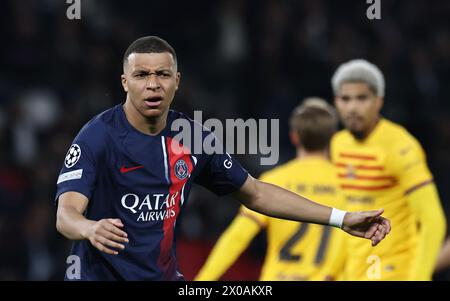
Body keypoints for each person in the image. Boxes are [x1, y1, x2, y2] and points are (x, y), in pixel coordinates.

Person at [55, 36, 390, 281]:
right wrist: (89, 227)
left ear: (177, 82)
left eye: (162, 75)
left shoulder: (192, 137)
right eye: (142, 76)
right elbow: (66, 213)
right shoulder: (97, 136)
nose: (153, 85)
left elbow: (256, 193)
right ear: (125, 82)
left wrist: (341, 219)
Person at [195, 98, 346, 281]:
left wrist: (202, 282)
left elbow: (237, 237)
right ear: (333, 137)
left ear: (294, 136)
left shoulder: (274, 182)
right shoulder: (350, 186)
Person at [330, 59, 446, 280]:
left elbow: (433, 220)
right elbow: (343, 212)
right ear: (336, 101)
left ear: (378, 101)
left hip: (395, 269)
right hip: (353, 271)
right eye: (345, 99)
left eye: (361, 98)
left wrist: (419, 276)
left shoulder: (400, 146)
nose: (352, 107)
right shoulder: (338, 144)